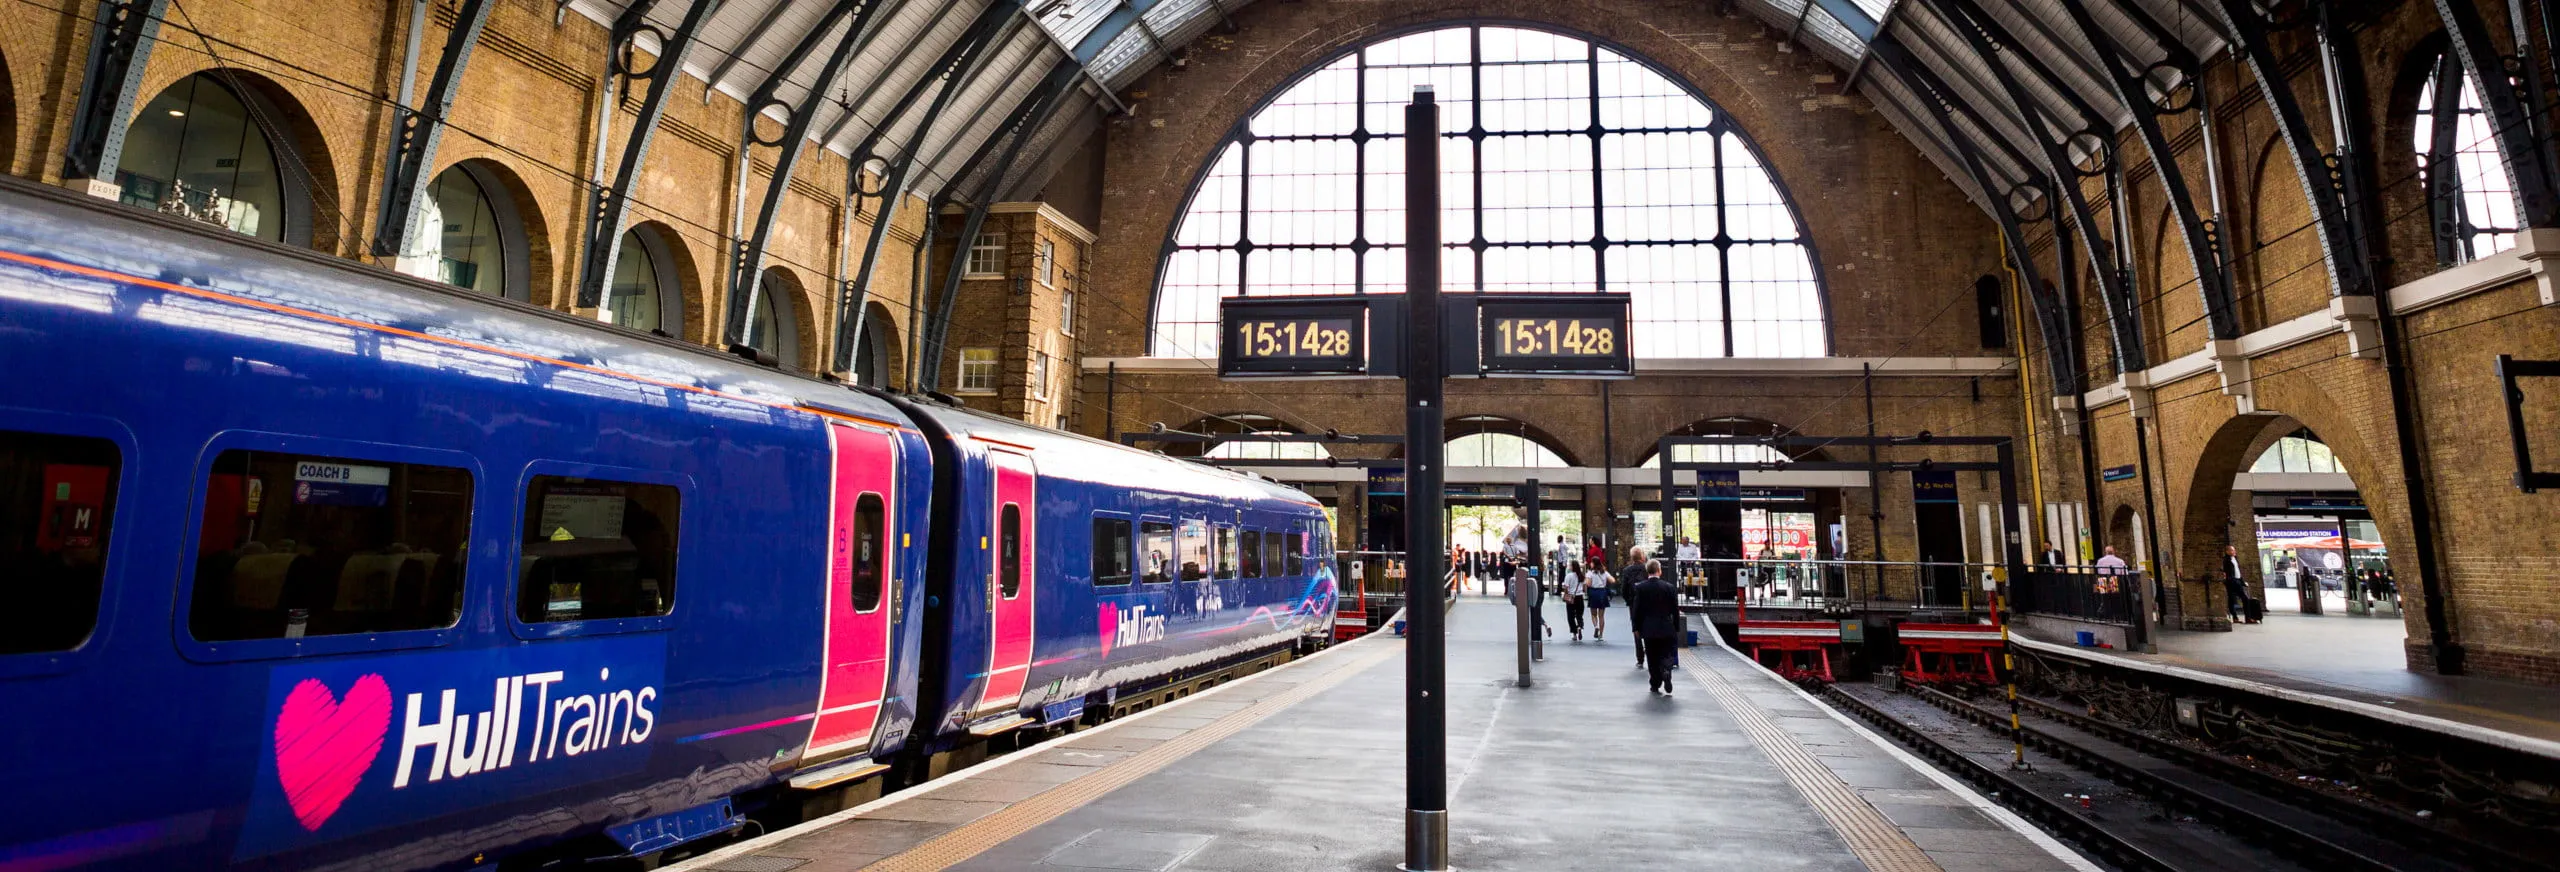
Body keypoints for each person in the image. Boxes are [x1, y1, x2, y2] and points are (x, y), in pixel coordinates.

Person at [1633, 558, 1682, 695]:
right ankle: (1666, 669)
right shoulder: (1669, 588)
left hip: (1648, 628)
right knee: (1666, 652)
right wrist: (1676, 627)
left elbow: (1637, 610)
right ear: (1659, 571)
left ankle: (1655, 682)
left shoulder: (1640, 588)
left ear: (1647, 571)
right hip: (1666, 626)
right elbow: (1674, 610)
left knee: (1652, 655)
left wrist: (1636, 628)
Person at [1618, 547, 1650, 662]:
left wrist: (1629, 600)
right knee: (1648, 625)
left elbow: (1623, 590)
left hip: (1633, 603)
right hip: (1647, 602)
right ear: (1642, 556)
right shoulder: (1647, 569)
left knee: (1636, 627)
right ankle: (1649, 650)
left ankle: (1639, 656)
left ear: (1632, 557)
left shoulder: (1627, 570)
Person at [2221, 544, 2251, 624]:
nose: (2234, 551)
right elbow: (2226, 572)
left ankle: (2239, 618)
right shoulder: (2226, 560)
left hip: (2237, 581)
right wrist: (2230, 580)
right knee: (2242, 599)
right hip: (2232, 582)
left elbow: (2238, 571)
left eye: (2234, 550)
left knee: (2234, 599)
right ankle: (2244, 618)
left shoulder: (2235, 559)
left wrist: (2242, 582)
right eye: (2232, 550)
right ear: (2227, 552)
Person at [1585, 560, 1614, 640]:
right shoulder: (1604, 572)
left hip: (1593, 593)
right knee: (1601, 616)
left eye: (1591, 562)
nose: (1590, 564)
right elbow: (1612, 580)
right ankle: (1601, 635)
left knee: (1593, 614)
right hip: (1602, 593)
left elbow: (1588, 584)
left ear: (1594, 564)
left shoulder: (1590, 573)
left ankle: (1596, 626)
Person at [1560, 560, 1588, 640]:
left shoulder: (1569, 576)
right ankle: (1579, 626)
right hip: (1580, 597)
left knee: (1570, 616)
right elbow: (1584, 588)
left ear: (1572, 567)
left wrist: (1566, 594)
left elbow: (1566, 587)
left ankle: (1574, 633)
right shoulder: (1581, 576)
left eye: (1570, 565)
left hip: (1571, 597)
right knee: (1579, 614)